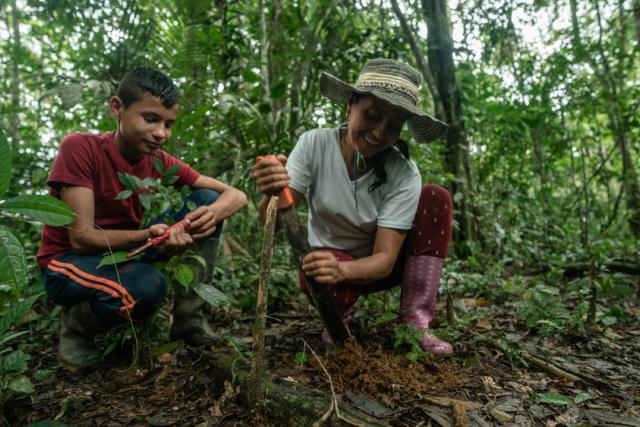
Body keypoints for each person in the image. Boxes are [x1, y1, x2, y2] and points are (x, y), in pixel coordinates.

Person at [37, 67, 247, 368]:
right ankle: (75, 328)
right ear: (117, 108)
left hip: (124, 252)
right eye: (150, 119)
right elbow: (82, 239)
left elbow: (235, 195)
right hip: (67, 264)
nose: (161, 133)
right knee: (148, 286)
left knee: (207, 201)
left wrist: (202, 218)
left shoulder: (157, 161)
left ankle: (188, 322)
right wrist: (151, 236)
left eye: (168, 124)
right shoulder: (81, 148)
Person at [252, 58, 454, 354]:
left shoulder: (404, 173)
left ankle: (415, 324)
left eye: (393, 126)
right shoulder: (314, 145)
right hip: (326, 266)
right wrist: (272, 190)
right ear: (350, 104)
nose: (379, 133)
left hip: (380, 266)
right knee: (319, 267)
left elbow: (385, 259)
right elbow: (276, 221)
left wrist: (344, 271)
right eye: (372, 115)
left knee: (436, 198)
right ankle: (336, 320)